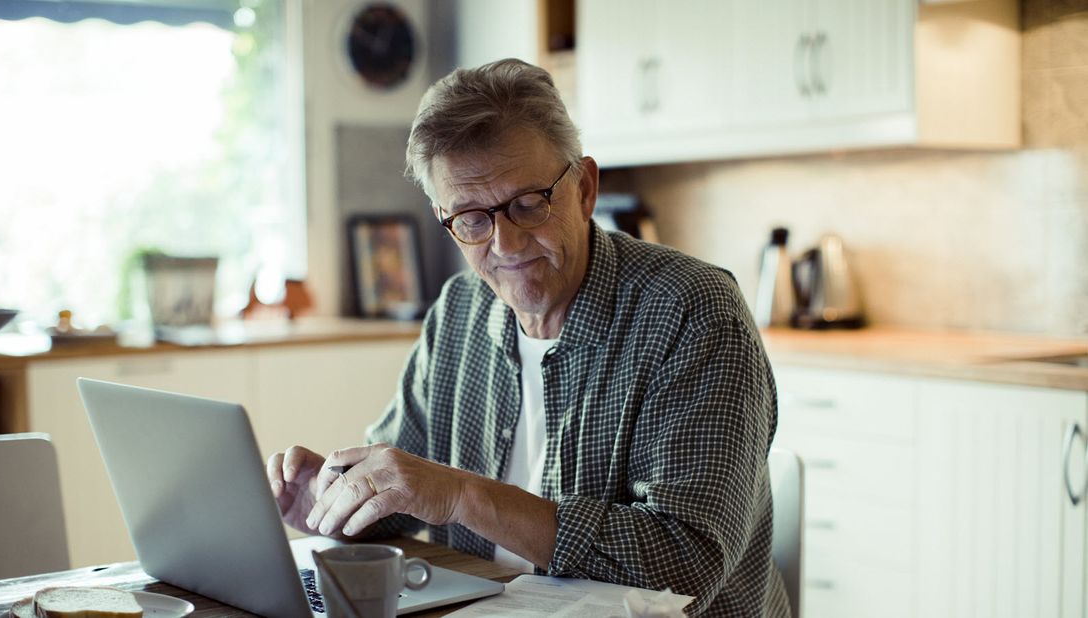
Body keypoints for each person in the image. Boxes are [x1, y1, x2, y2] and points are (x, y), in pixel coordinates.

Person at [267, 58, 788, 617]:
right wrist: (334, 502)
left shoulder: (694, 312)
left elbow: (684, 564)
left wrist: (465, 494)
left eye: (527, 204)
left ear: (585, 188)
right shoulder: (459, 311)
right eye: (471, 218)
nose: (506, 245)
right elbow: (408, 491)